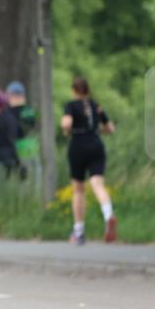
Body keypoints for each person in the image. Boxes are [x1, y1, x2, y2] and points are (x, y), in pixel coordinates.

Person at [61, 77, 117, 244]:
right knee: (98, 185)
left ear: (74, 90)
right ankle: (108, 214)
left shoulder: (71, 105)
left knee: (78, 189)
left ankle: (79, 230)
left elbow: (66, 124)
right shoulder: (95, 105)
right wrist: (95, 128)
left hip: (78, 144)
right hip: (96, 143)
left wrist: (66, 129)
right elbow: (110, 128)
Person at [6, 81, 40, 181]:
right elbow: (32, 127)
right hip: (30, 146)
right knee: (33, 177)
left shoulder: (7, 113)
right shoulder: (28, 110)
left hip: (13, 147)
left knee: (17, 177)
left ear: (11, 95)